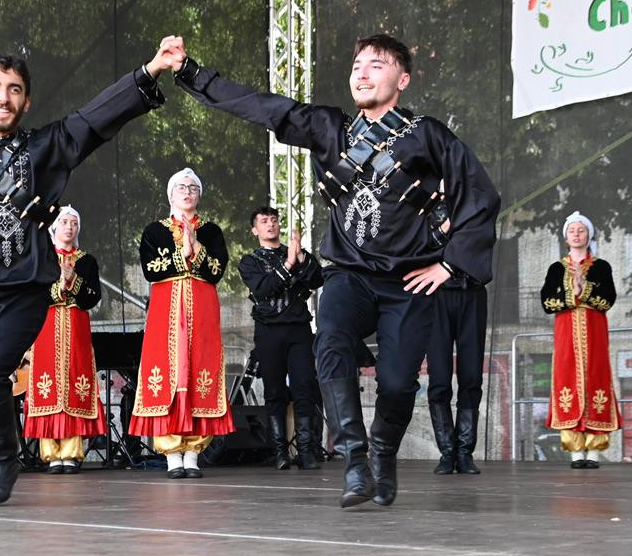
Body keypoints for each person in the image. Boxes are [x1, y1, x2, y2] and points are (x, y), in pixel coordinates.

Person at [169, 33, 499, 507]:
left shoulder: (429, 135)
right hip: (349, 273)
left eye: (377, 65)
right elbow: (265, 107)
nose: (362, 73)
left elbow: (480, 194)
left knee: (398, 383)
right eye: (357, 65)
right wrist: (191, 73)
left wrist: (449, 265)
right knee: (331, 340)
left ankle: (384, 454)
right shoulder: (331, 129)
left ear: (402, 79)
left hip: (409, 282)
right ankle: (355, 459)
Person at [0, 39, 172, 504]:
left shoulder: (48, 146)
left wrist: (150, 70)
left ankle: (3, 461)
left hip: (22, 290)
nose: (1, 97)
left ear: (25, 101)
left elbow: (95, 118)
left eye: (12, 89)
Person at [129, 168, 234, 479]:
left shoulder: (212, 231)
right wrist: (182, 253)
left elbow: (216, 271)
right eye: (181, 187)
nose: (187, 192)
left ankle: (193, 453)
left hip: (202, 310)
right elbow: (151, 269)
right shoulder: (154, 231)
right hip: (166, 312)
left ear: (199, 196)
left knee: (200, 368)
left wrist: (197, 249)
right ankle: (173, 454)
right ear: (171, 195)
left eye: (193, 188)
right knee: (169, 373)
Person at [238, 206, 324, 470]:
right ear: (255, 230)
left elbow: (317, 279)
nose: (271, 225)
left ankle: (307, 452)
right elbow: (264, 288)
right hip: (269, 331)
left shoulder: (296, 253)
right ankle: (279, 452)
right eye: (264, 221)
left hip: (298, 330)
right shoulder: (249, 261)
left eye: (274, 220)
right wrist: (289, 264)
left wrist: (300, 257)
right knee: (274, 392)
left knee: (304, 389)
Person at [22, 206, 106, 474]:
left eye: (74, 223)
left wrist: (73, 281)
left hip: (75, 326)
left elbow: (92, 297)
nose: (69, 227)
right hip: (44, 327)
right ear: (54, 227)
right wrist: (60, 286)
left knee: (74, 382)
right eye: (64, 222)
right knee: (47, 385)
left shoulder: (86, 261)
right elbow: (33, 293)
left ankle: (70, 453)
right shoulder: (41, 258)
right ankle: (50, 454)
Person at [541, 211, 621, 469]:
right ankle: (576, 453)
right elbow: (547, 302)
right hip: (566, 332)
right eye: (572, 230)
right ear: (566, 237)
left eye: (581, 230)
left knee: (596, 378)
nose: (576, 234)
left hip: (595, 331)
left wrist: (584, 286)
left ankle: (594, 452)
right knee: (567, 380)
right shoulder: (556, 268)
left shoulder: (601, 267)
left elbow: (607, 299)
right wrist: (571, 292)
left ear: (589, 235)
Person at [426, 199, 488, 475]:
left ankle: (464, 452)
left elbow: (482, 242)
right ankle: (446, 451)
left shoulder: (474, 205)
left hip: (471, 293)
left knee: (471, 377)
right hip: (436, 295)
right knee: (439, 380)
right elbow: (419, 246)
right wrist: (446, 228)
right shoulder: (421, 207)